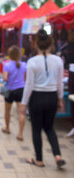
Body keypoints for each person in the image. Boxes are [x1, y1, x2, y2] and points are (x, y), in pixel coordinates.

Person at [20, 29, 66, 168]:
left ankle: (39, 159)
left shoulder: (32, 62)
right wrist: (60, 99)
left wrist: (23, 102)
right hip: (52, 96)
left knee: (36, 129)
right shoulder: (58, 60)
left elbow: (29, 84)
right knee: (49, 128)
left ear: (36, 44)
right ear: (51, 44)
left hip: (37, 98)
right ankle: (57, 155)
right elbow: (60, 82)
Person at [1, 46, 27, 141]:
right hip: (21, 90)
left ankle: (7, 128)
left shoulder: (6, 65)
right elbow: (25, 79)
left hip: (10, 90)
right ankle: (20, 133)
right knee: (21, 112)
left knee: (7, 111)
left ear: (9, 55)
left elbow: (5, 79)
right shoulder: (24, 65)